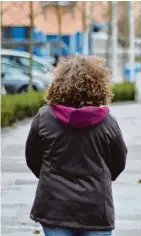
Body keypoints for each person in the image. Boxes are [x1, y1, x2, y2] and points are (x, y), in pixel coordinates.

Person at [25, 55, 128, 236]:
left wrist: (50, 177)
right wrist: (98, 179)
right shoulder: (107, 123)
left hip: (54, 207)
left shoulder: (44, 118)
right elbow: (118, 163)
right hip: (95, 207)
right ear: (99, 86)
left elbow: (33, 158)